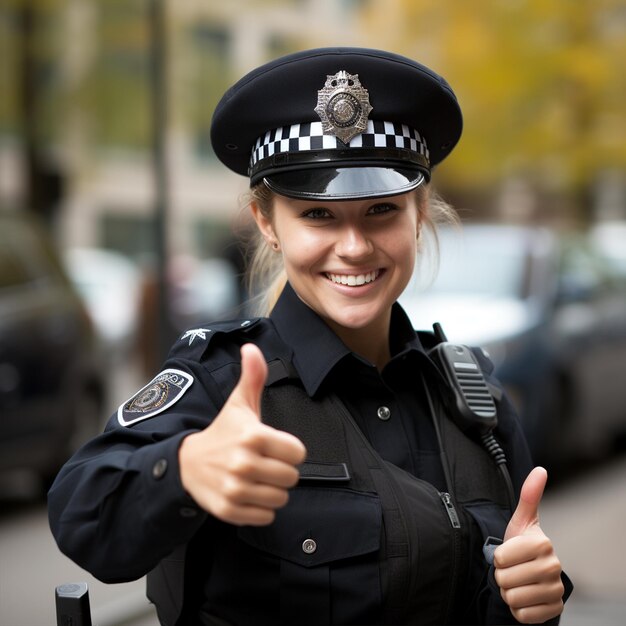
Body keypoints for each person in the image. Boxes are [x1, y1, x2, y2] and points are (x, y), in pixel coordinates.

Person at [48, 47, 572, 625]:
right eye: (318, 215)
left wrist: (528, 599)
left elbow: (501, 576)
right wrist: (186, 468)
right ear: (267, 223)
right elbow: (83, 517)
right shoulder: (221, 384)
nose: (353, 247)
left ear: (418, 215)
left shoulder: (474, 400)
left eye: (380, 210)